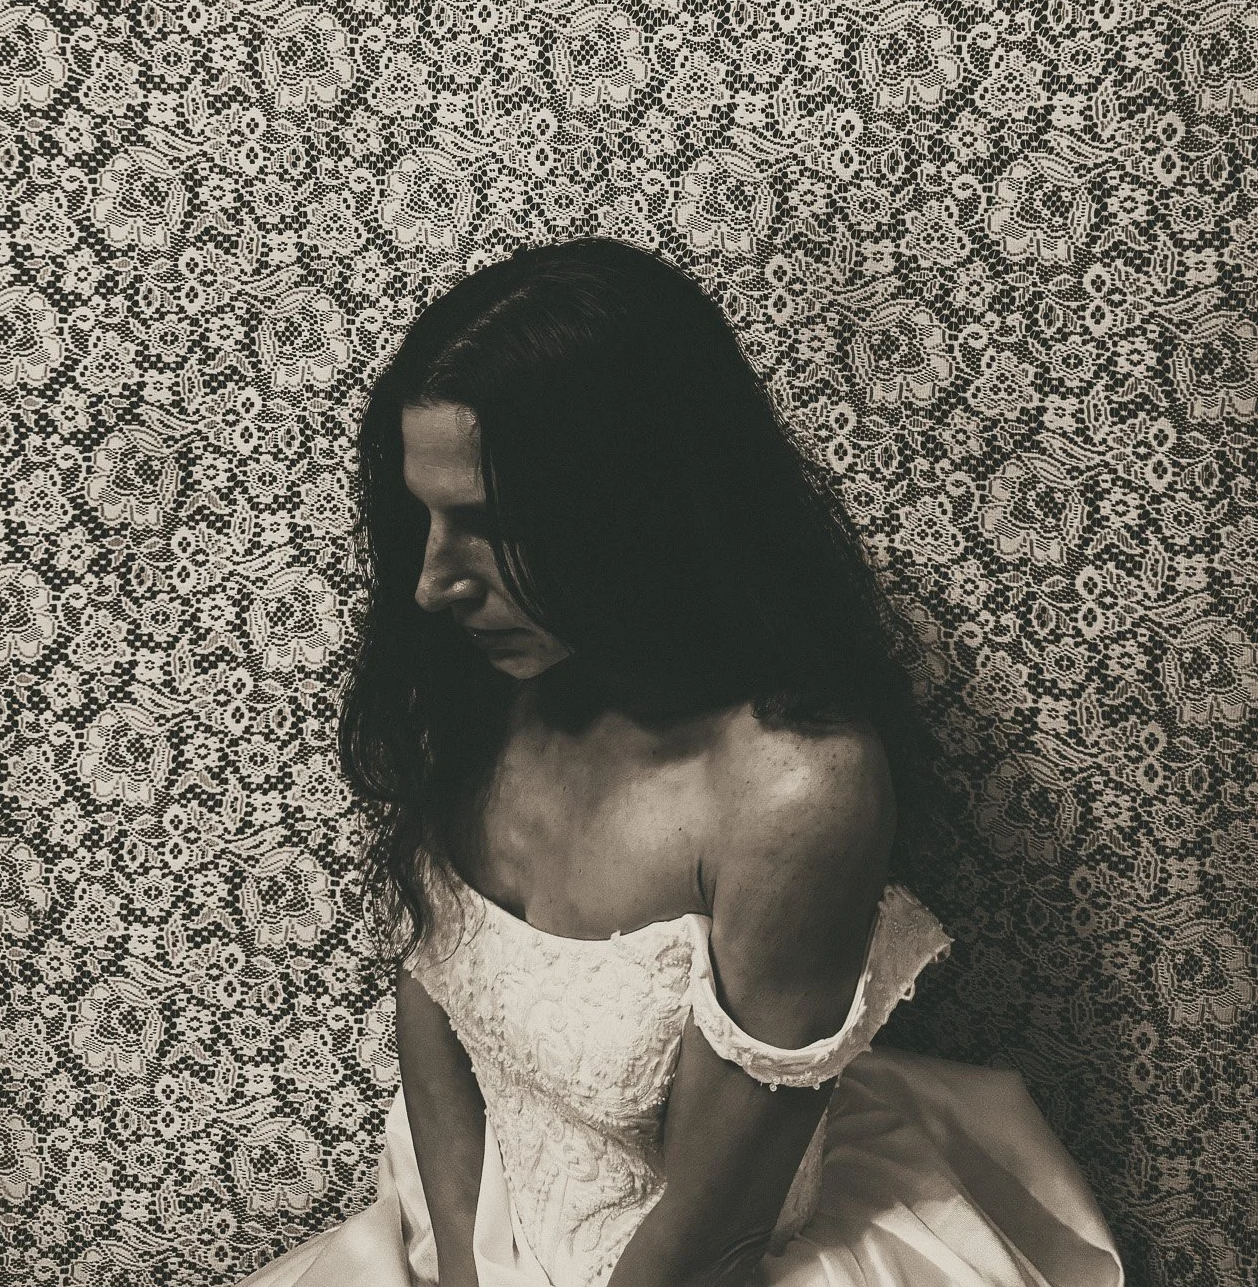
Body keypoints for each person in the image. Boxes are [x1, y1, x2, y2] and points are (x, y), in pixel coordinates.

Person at [238, 239, 1125, 1287]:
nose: (433, 582)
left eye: (484, 523)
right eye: (421, 517)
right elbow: (430, 993)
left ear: (629, 505)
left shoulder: (793, 789)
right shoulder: (483, 683)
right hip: (479, 1222)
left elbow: (711, 1235)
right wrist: (465, 1263)